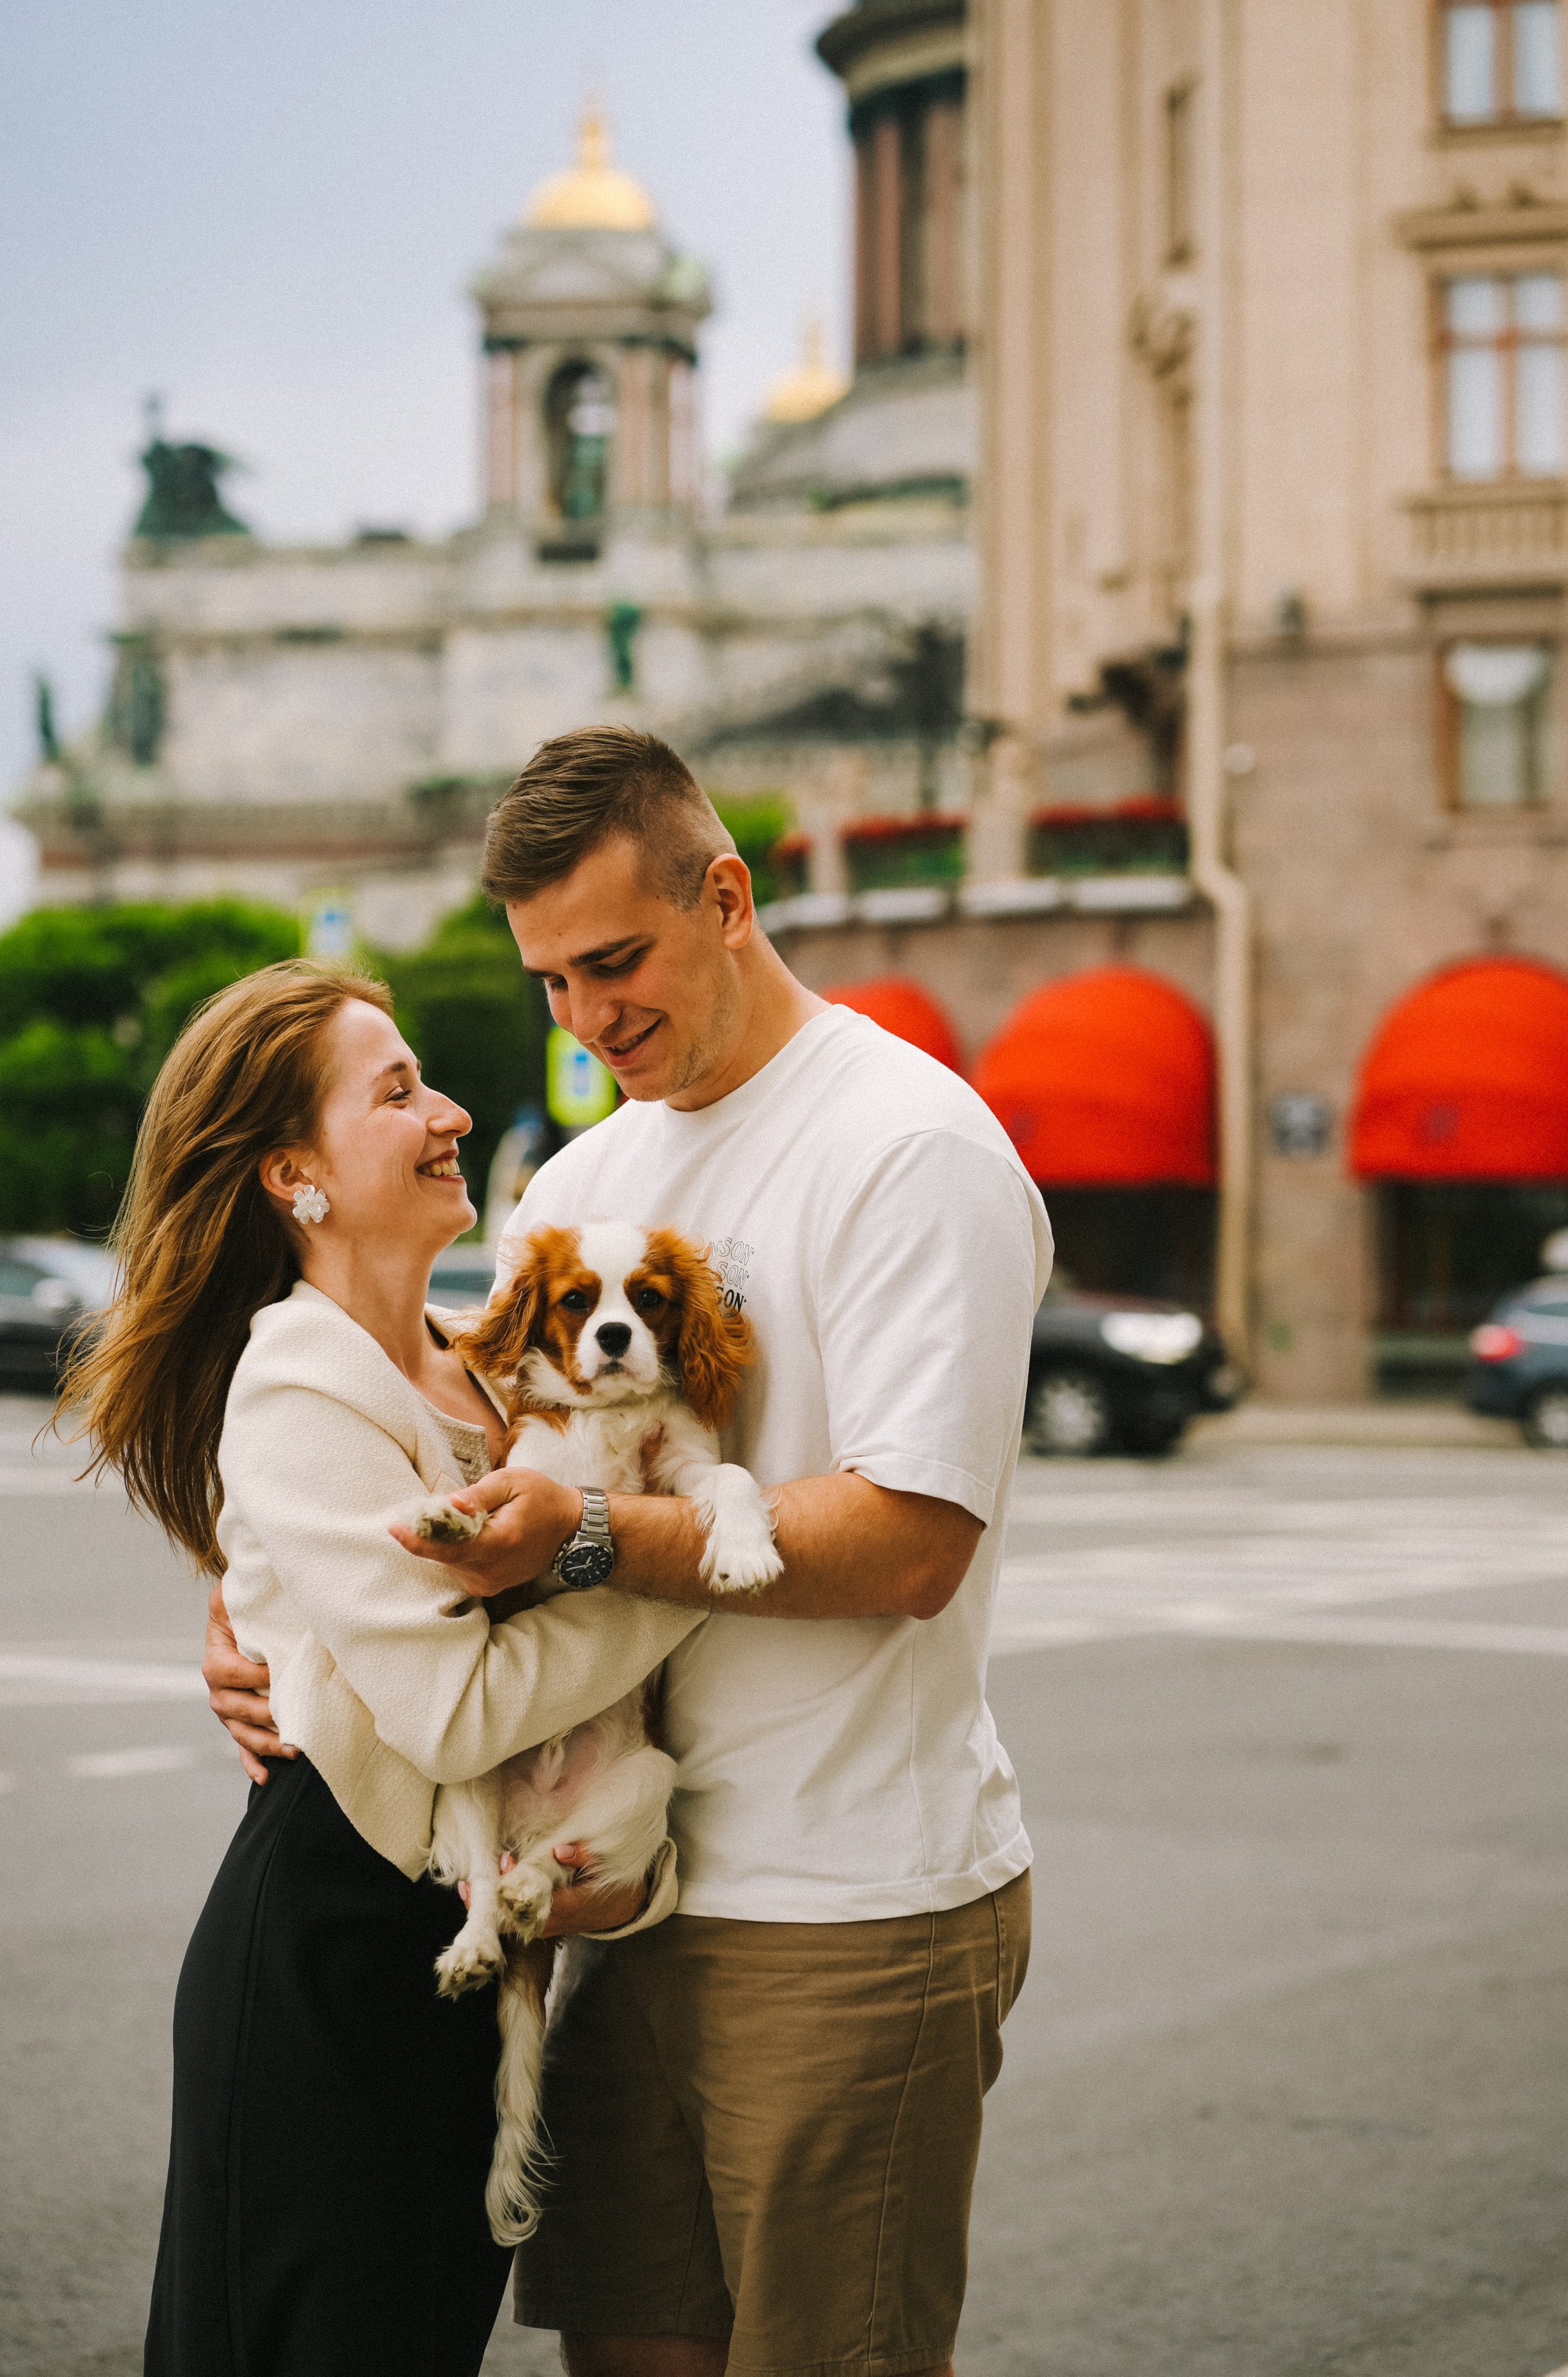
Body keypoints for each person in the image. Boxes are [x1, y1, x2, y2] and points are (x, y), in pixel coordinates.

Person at [206, 727, 1054, 2377]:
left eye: (617, 961)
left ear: (727, 897)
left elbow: (909, 1540)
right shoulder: (584, 1178)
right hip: (619, 1907)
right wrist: (277, 1634)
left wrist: (593, 1536)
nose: (588, 1018)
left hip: (849, 1902)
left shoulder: (907, 1145)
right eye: (551, 983)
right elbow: (438, 1452)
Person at [67, 962, 696, 2377]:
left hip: (453, 1978)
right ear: (295, 1173)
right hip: (330, 1967)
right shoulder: (297, 1374)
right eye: (399, 1090)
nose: (453, 1111)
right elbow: (457, 1711)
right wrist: (682, 1575)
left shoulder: (484, 1368)